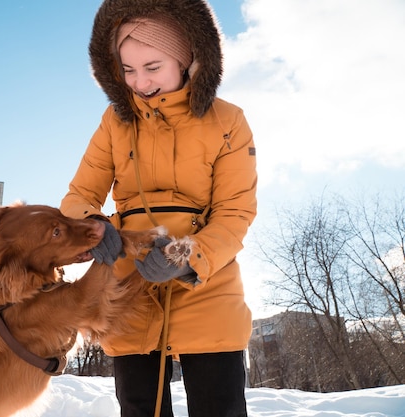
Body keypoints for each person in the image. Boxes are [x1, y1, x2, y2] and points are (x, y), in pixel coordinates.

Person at [60, 0, 257, 416]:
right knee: (138, 408)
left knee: (218, 407)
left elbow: (234, 212)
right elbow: (79, 196)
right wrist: (95, 227)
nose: (140, 82)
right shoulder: (115, 122)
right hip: (130, 287)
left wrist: (187, 258)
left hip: (207, 284)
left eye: (153, 67)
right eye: (128, 70)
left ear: (187, 59)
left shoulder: (228, 122)